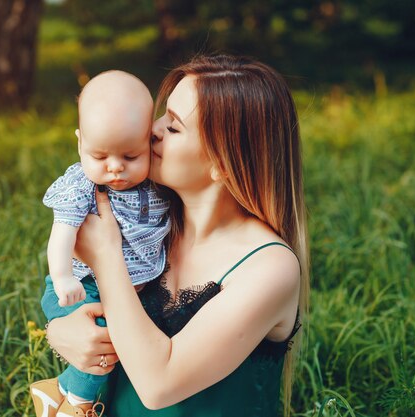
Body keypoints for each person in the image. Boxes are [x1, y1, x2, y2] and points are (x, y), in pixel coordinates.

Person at [45, 54, 310, 417]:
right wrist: (60, 330)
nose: (152, 129)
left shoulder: (269, 267)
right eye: (162, 114)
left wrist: (107, 258)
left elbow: (158, 385)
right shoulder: (149, 223)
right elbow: (75, 292)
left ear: (222, 162)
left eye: (173, 126)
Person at [30, 70, 171, 417]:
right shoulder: (82, 187)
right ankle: (76, 406)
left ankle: (57, 390)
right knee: (105, 336)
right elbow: (61, 235)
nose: (116, 168)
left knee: (122, 336)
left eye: (130, 156)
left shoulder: (156, 183)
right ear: (80, 144)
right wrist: (64, 277)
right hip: (85, 287)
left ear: (149, 141)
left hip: (126, 289)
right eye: (100, 156)